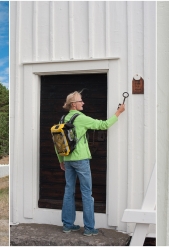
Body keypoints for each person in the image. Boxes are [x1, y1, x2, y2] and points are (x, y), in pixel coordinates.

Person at [56, 91, 125, 236]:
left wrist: (61, 160)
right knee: (87, 193)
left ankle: (67, 225)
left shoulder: (63, 118)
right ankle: (89, 228)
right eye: (81, 101)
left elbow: (57, 141)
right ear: (74, 104)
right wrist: (118, 112)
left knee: (69, 191)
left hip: (67, 159)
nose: (83, 103)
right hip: (81, 159)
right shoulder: (80, 118)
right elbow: (103, 125)